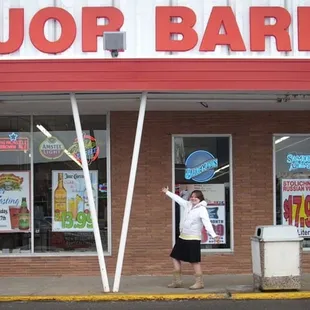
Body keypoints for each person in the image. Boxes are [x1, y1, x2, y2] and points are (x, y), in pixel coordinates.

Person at [162, 186, 220, 290]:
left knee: (194, 261)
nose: (193, 198)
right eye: (192, 196)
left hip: (193, 238)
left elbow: (207, 223)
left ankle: (199, 283)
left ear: (200, 199)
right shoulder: (187, 204)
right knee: (175, 257)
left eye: (196, 197)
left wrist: (214, 235)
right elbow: (178, 199)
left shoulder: (202, 209)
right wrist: (167, 192)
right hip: (182, 237)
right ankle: (177, 281)